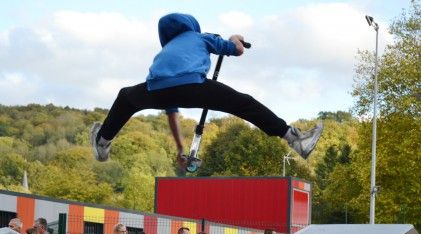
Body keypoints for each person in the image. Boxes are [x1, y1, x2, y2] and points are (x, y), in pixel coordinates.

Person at [90, 13, 323, 171]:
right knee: (244, 104)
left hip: (156, 89)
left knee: (125, 97)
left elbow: (171, 99)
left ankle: (103, 141)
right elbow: (237, 50)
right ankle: (294, 139)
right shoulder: (201, 37)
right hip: (195, 87)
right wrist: (234, 39)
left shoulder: (167, 49)